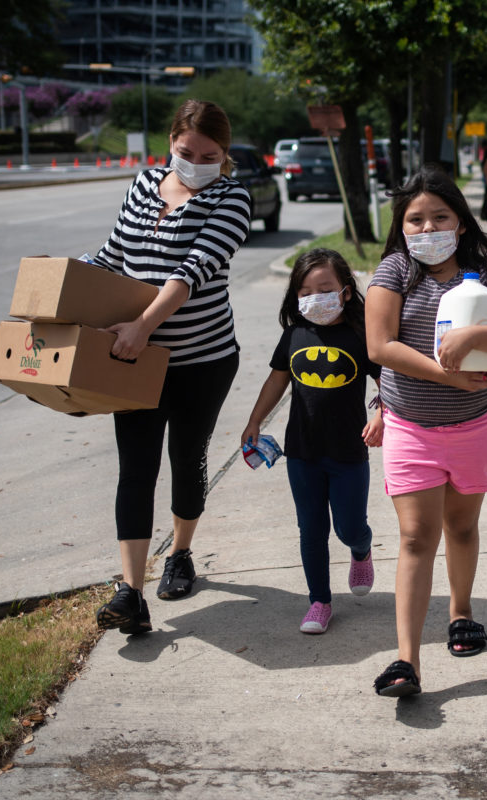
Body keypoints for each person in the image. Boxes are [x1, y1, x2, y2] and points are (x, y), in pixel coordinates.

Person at [365, 165, 487, 696]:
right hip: (410, 425)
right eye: (415, 219)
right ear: (402, 226)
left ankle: (461, 613)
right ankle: (407, 662)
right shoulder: (393, 271)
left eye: (440, 217)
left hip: (475, 423)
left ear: (460, 223)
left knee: (461, 528)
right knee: (417, 536)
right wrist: (446, 372)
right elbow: (379, 346)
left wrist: (473, 337)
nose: (427, 228)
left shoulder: (486, 272)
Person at [92, 99, 252, 635]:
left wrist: (142, 325)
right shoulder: (143, 185)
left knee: (186, 458)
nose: (196, 162)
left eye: (210, 155)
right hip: (134, 361)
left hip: (201, 360)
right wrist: (66, 286)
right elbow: (114, 255)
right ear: (170, 143)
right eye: (187, 152)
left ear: (224, 153)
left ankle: (180, 553)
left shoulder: (232, 197)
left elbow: (193, 271)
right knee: (135, 467)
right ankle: (131, 592)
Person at [241, 248, 383, 635]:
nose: (314, 297)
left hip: (349, 451)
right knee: (311, 528)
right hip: (303, 452)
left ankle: (362, 548)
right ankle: (319, 601)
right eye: (305, 290)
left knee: (349, 527)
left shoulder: (361, 334)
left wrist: (382, 415)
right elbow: (276, 379)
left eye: (324, 288)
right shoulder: (294, 334)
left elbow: (387, 380)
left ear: (346, 292)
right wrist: (255, 420)